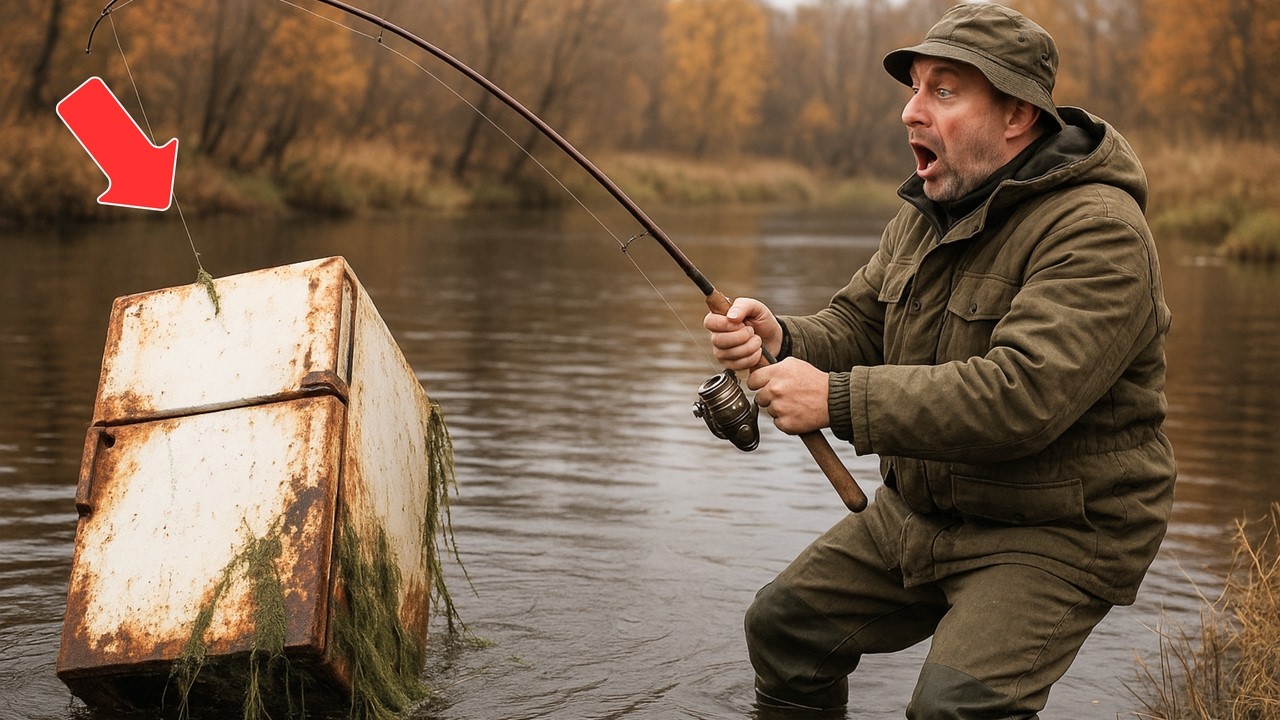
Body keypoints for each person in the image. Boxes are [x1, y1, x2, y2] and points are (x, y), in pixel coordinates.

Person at [703, 3, 1175, 718]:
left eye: (943, 91)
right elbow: (860, 323)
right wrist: (782, 339)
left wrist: (833, 400)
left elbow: (1021, 396)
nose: (910, 112)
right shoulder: (928, 209)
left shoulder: (1100, 231)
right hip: (927, 508)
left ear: (1016, 115)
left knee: (950, 708)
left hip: (1056, 529)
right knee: (784, 628)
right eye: (913, 88)